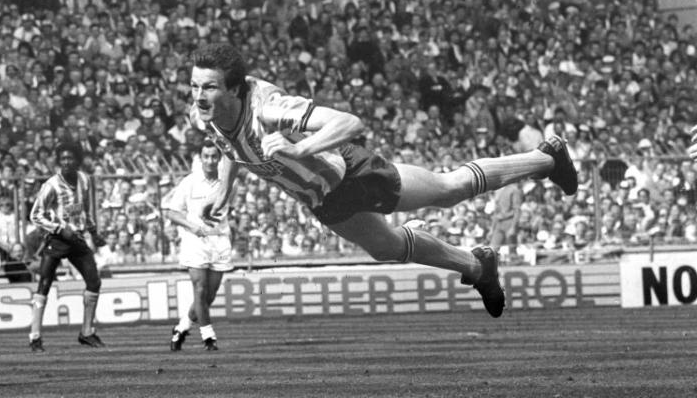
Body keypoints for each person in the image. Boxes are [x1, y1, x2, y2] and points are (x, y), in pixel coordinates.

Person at [188, 43, 580, 318]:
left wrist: (299, 150)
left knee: (448, 191)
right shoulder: (204, 115)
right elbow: (229, 147)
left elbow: (349, 123)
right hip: (321, 197)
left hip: (351, 172)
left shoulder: (269, 110)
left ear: (235, 89)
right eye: (194, 86)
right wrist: (224, 189)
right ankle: (478, 268)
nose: (199, 96)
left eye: (209, 87)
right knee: (387, 247)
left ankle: (545, 158)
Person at [27, 142, 104, 352]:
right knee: (44, 282)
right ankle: (35, 336)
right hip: (58, 239)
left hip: (77, 238)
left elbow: (86, 210)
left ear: (77, 160)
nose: (67, 162)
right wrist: (60, 229)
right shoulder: (51, 185)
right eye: (63, 159)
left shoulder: (84, 180)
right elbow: (35, 214)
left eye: (70, 158)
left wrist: (94, 232)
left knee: (94, 282)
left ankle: (87, 332)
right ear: (58, 161)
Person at [162, 139, 234, 351]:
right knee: (200, 290)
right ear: (200, 158)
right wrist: (192, 227)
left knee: (208, 296)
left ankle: (181, 328)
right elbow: (172, 213)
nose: (210, 161)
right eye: (206, 156)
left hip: (220, 240)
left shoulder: (228, 182)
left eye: (214, 156)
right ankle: (208, 337)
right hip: (195, 242)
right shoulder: (189, 182)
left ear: (219, 159)